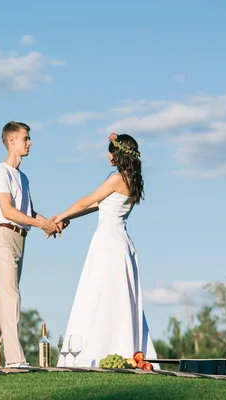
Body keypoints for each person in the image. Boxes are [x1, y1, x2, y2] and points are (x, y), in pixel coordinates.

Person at [53, 132, 158, 368]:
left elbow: (85, 200)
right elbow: (96, 206)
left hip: (108, 243)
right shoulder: (133, 179)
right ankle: (124, 351)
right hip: (121, 243)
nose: (107, 155)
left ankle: (100, 351)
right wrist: (69, 218)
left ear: (117, 154)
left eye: (110, 150)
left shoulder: (116, 178)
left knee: (101, 292)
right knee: (113, 294)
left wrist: (59, 216)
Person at [0, 121, 65, 368]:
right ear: (12, 141)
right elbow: (8, 210)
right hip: (4, 236)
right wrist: (40, 225)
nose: (29, 143)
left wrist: (51, 222)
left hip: (20, 239)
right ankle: (15, 359)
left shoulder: (23, 177)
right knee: (11, 296)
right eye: (25, 138)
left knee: (2, 298)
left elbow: (28, 211)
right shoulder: (0, 172)